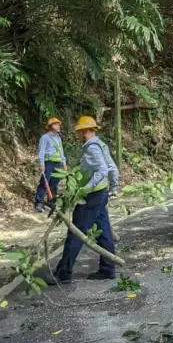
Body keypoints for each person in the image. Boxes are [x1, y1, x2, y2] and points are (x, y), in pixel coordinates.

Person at [44, 116, 118, 284]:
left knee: (76, 232)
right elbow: (112, 168)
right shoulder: (101, 144)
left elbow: (102, 170)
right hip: (100, 194)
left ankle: (64, 273)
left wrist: (83, 189)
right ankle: (108, 268)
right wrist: (113, 188)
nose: (77, 135)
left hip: (91, 197)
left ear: (85, 132)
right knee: (104, 231)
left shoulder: (92, 148)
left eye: (78, 132)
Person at [35, 117, 65, 212]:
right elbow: (41, 151)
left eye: (58, 124)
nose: (58, 126)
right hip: (48, 163)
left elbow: (61, 151)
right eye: (56, 124)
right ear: (50, 126)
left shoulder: (58, 138)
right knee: (45, 182)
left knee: (54, 183)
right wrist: (42, 163)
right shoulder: (45, 138)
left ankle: (51, 202)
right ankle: (39, 203)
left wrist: (64, 162)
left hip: (57, 163)